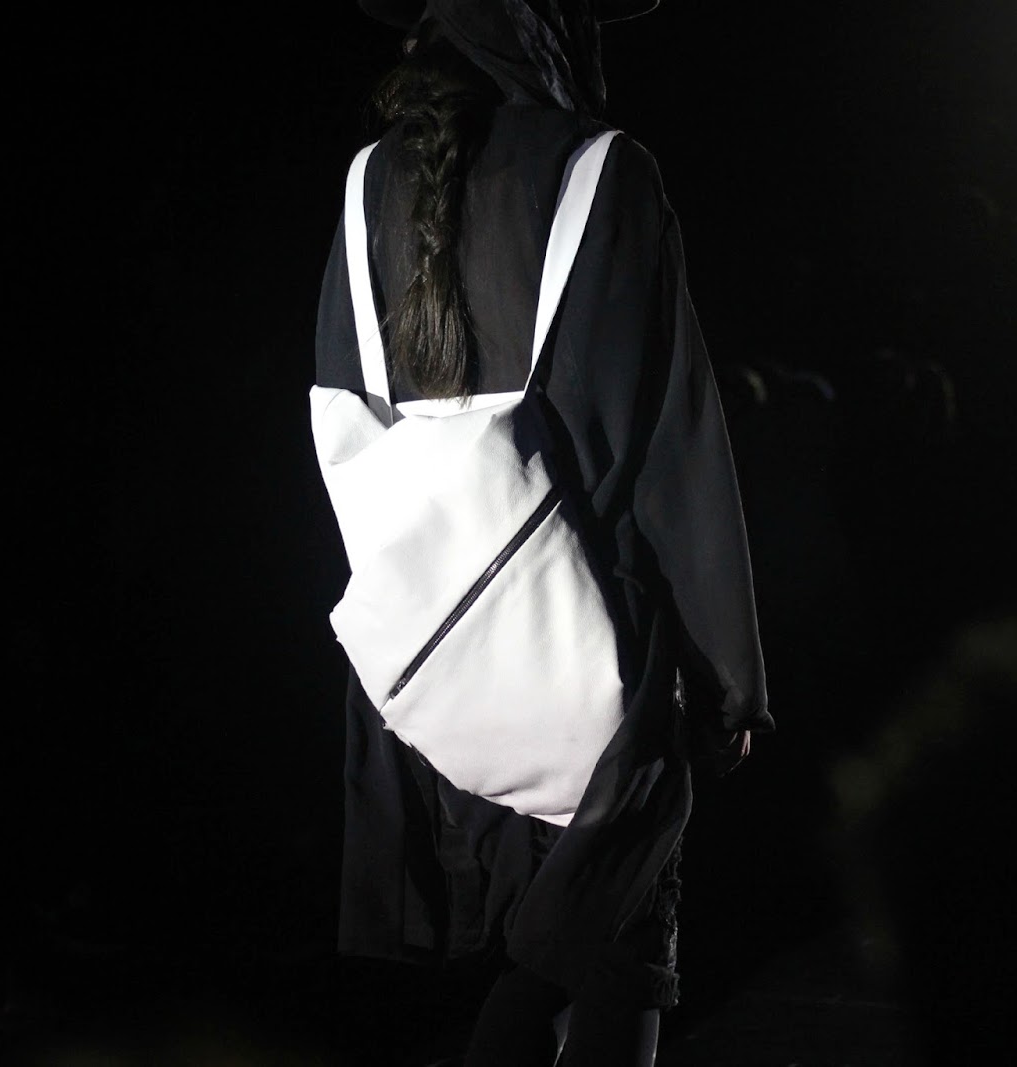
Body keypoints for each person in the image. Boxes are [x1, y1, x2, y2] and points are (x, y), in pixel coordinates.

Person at [312, 2, 771, 1063]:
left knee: (539, 965)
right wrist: (726, 676)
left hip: (433, 666)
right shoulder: (603, 172)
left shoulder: (366, 182)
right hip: (594, 646)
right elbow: (667, 437)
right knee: (605, 963)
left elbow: (346, 431)